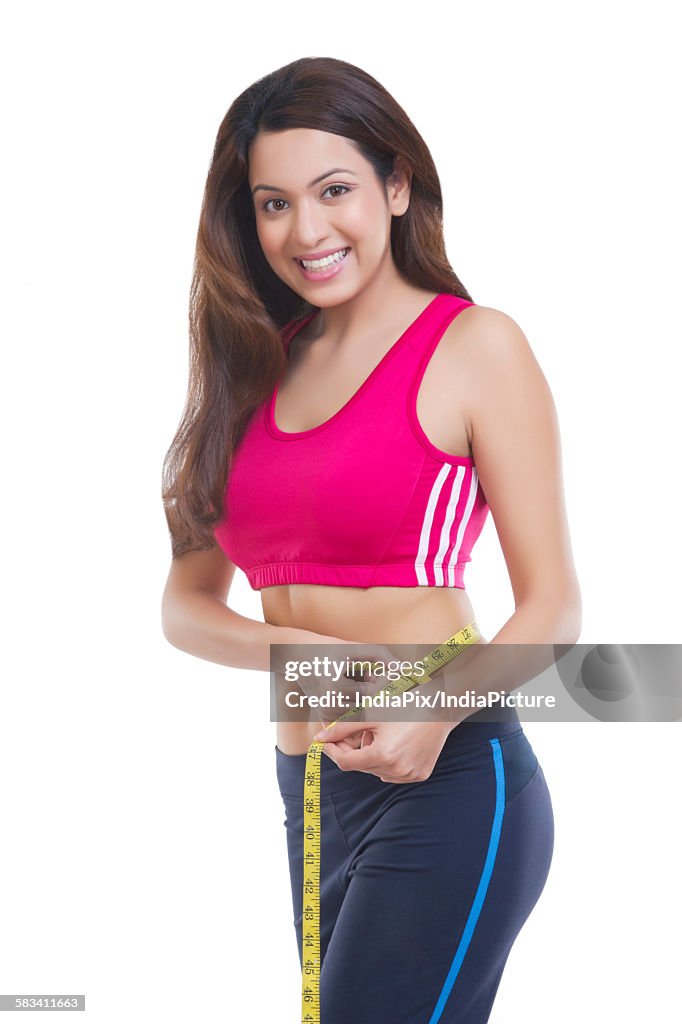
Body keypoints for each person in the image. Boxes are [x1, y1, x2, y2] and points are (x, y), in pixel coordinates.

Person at [161, 56, 581, 1024]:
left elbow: (553, 605)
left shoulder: (475, 345)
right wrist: (306, 657)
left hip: (449, 770)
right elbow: (183, 606)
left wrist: (429, 708)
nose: (305, 231)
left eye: (334, 190)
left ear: (396, 185)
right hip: (306, 785)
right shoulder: (243, 369)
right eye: (272, 202)